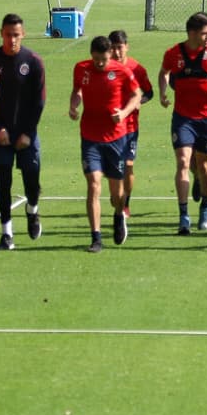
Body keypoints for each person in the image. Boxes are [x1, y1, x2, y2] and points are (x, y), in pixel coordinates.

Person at [158, 12, 207, 235]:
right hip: (183, 117)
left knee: (204, 164)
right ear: (191, 33)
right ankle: (183, 216)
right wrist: (163, 93)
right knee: (183, 162)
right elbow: (164, 72)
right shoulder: (174, 53)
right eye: (204, 33)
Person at [70, 35, 142, 253]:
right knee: (93, 185)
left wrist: (124, 112)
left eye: (104, 58)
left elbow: (137, 94)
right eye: (96, 59)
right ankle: (96, 237)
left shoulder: (122, 72)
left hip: (115, 138)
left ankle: (119, 214)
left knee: (116, 193)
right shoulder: (81, 69)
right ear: (91, 54)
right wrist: (74, 106)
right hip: (90, 137)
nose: (100, 63)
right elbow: (77, 91)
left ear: (110, 54)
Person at [0, 13, 46, 251]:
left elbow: (39, 103)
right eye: (8, 35)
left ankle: (32, 210)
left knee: (31, 179)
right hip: (2, 134)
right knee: (3, 181)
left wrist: (28, 133)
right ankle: (6, 233)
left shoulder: (34, 61)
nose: (12, 40)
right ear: (1, 34)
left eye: (16, 35)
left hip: (27, 133)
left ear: (23, 34)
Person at [108, 30, 153, 220]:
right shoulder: (104, 67)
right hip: (108, 126)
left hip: (130, 126)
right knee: (112, 167)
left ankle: (126, 203)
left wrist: (137, 102)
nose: (117, 52)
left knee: (128, 164)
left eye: (120, 47)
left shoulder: (137, 69)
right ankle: (116, 195)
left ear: (127, 46)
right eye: (114, 48)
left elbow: (149, 93)